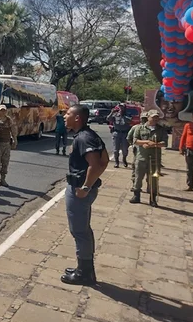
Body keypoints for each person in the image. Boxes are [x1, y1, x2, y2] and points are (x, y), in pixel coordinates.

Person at [61, 105, 108, 286]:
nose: (65, 116)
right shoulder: (89, 135)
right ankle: (85, 268)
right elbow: (104, 160)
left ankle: (84, 273)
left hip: (79, 191)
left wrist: (86, 187)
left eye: (68, 114)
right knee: (83, 230)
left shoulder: (84, 138)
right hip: (83, 189)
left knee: (79, 231)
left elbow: (96, 164)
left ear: (77, 118)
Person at [130, 110, 167, 205]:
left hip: (155, 158)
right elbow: (135, 140)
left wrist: (154, 144)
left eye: (156, 117)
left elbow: (164, 143)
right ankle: (136, 195)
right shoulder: (140, 128)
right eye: (153, 117)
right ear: (148, 117)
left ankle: (152, 198)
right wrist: (145, 143)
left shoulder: (161, 129)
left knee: (153, 179)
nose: (155, 119)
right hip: (141, 157)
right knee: (138, 178)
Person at [127, 112, 149, 184]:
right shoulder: (136, 127)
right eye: (143, 119)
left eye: (146, 119)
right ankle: (134, 184)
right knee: (136, 167)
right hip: (138, 151)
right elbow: (129, 138)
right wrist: (133, 144)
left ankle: (151, 186)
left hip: (150, 152)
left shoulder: (152, 129)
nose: (144, 120)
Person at [179, 111, 193, 191]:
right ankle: (190, 185)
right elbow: (183, 136)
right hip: (190, 149)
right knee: (189, 169)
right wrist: (181, 147)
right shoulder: (188, 125)